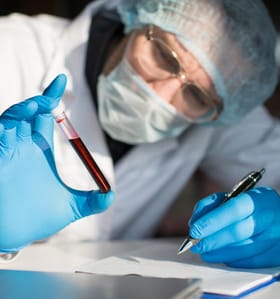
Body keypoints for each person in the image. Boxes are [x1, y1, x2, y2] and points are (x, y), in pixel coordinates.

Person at [0, 0, 279, 266]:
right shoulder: (10, 49)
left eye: (194, 95)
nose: (161, 95)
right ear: (140, 16)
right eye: (164, 56)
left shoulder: (218, 104)